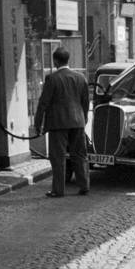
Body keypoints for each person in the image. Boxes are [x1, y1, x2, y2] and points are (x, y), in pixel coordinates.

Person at [34, 46, 90, 198]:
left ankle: (58, 190)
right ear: (68, 59)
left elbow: (43, 103)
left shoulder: (52, 79)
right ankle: (84, 185)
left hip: (58, 123)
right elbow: (86, 101)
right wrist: (84, 117)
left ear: (55, 61)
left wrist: (37, 124)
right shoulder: (81, 78)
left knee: (58, 157)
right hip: (78, 122)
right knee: (79, 155)